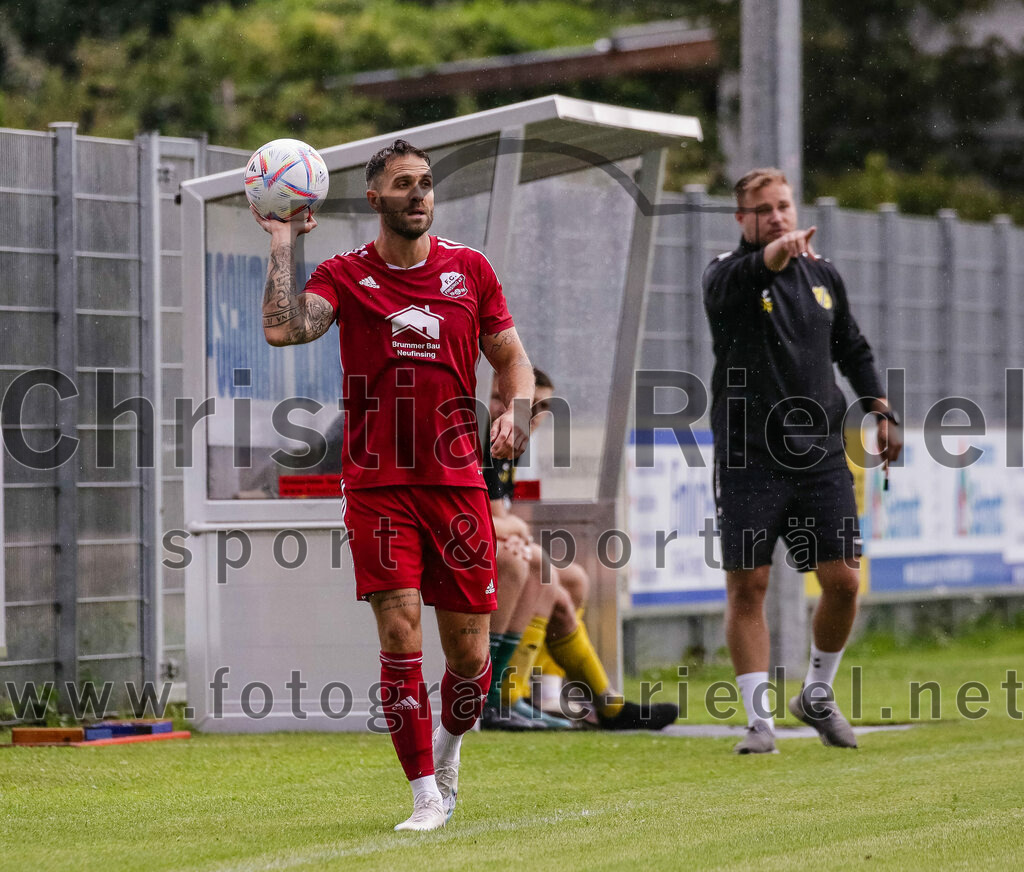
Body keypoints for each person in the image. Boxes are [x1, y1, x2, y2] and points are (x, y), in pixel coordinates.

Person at [253, 139, 536, 829]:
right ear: (375, 197)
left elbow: (513, 362)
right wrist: (283, 240)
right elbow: (283, 330)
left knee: (471, 661)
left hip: (457, 485)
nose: (419, 193)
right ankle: (423, 796)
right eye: (404, 184)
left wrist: (516, 412)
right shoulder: (346, 275)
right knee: (399, 633)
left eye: (427, 183)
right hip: (379, 486)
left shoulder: (469, 271)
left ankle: (449, 748)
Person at [702, 168, 902, 754]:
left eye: (784, 206)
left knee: (843, 582)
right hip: (748, 454)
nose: (778, 217)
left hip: (819, 453)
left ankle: (816, 693)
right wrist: (770, 256)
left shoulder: (824, 275)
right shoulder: (727, 273)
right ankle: (758, 723)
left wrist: (880, 411)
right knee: (750, 584)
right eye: (763, 209)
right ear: (743, 220)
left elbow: (853, 348)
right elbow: (726, 289)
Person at [482, 369, 679, 731]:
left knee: (572, 579)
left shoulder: (506, 445)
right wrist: (515, 531)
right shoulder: (480, 434)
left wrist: (512, 530)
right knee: (538, 568)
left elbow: (499, 518)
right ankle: (508, 698)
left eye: (541, 407)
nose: (532, 415)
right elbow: (489, 519)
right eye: (519, 403)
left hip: (483, 544)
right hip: (454, 549)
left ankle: (547, 695)